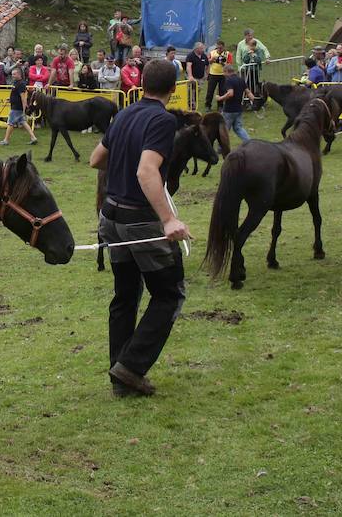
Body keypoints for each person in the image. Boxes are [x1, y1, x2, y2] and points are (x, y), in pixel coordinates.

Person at [89, 59, 193, 398]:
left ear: (141, 83)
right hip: (139, 220)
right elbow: (147, 172)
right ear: (173, 88)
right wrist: (169, 219)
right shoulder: (162, 120)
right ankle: (131, 368)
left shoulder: (124, 114)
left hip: (111, 218)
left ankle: (120, 374)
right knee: (169, 293)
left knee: (125, 294)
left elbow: (95, 159)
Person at [0, 66, 38, 147]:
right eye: (12, 74)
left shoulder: (21, 84)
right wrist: (10, 99)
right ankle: (33, 138)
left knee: (10, 123)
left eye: (14, 74)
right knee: (23, 122)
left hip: (17, 108)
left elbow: (23, 97)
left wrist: (23, 109)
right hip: (15, 105)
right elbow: (15, 94)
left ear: (19, 74)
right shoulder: (15, 82)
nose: (12, 76)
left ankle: (6, 140)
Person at [215, 64, 251, 143]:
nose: (223, 75)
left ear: (227, 71)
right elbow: (248, 92)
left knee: (224, 130)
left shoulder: (229, 80)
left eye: (224, 72)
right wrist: (253, 101)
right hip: (239, 109)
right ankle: (249, 142)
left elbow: (230, 93)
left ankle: (221, 148)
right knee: (238, 128)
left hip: (229, 110)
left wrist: (220, 98)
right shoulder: (241, 79)